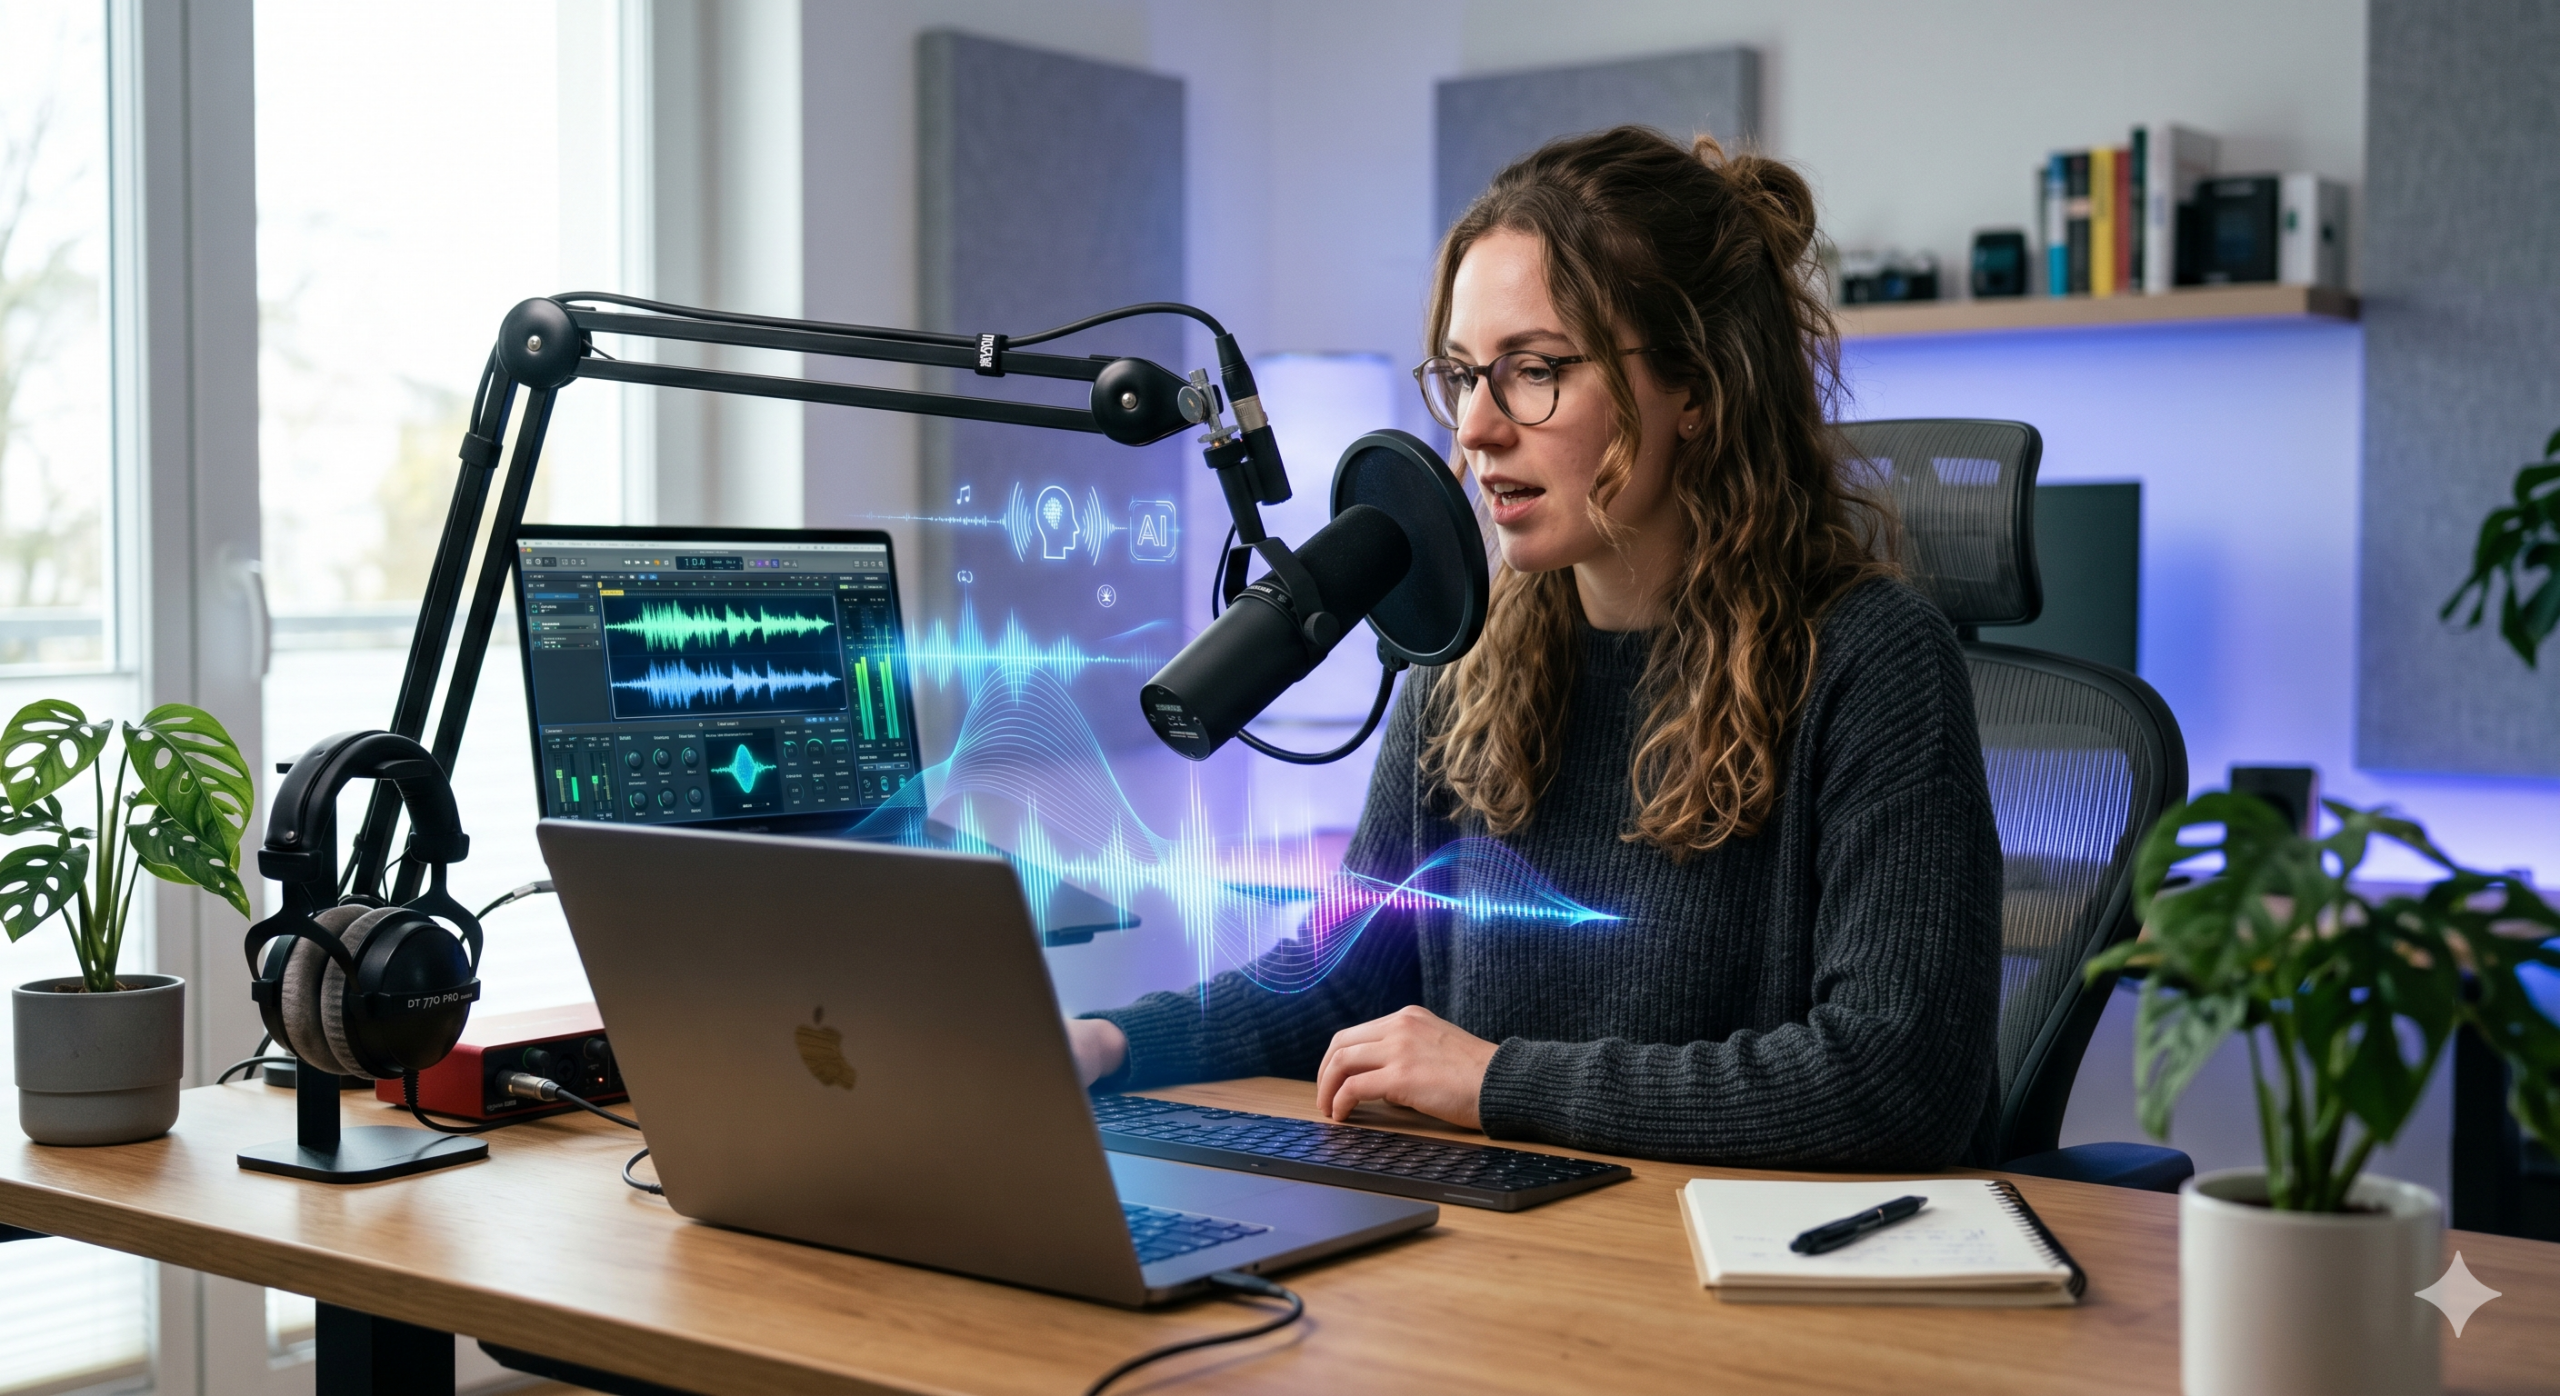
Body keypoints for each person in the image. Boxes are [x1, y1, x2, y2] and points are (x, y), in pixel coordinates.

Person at [1065, 125, 2003, 1170]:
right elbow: (1340, 984)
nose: (1474, 428)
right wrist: (1108, 1040)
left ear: (1695, 387)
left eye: (1534, 371)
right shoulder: (1461, 665)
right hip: (1516, 1270)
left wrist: (1495, 1080)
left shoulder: (1873, 663)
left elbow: (1893, 1077)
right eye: (1463, 374)